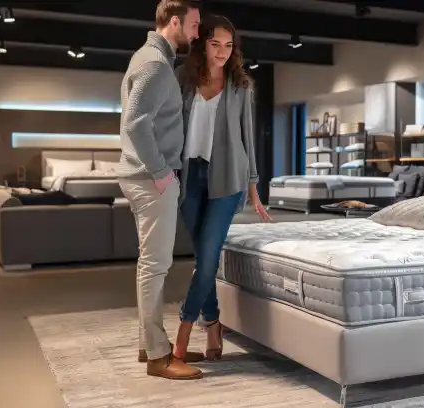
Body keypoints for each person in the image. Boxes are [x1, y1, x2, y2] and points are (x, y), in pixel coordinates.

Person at [172, 14, 272, 368]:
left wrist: (254, 190)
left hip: (228, 179)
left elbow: (249, 138)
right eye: (215, 44)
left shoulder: (241, 85)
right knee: (205, 262)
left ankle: (183, 336)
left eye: (228, 46)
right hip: (190, 179)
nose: (222, 52)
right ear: (202, 43)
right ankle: (213, 324)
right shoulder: (183, 78)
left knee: (210, 259)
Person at [117, 0, 203, 380]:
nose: (197, 33)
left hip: (143, 178)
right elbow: (136, 123)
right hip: (152, 180)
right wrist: (162, 173)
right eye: (195, 25)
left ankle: (148, 344)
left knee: (148, 264)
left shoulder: (152, 58)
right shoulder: (153, 63)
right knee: (156, 266)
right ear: (174, 22)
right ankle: (158, 356)